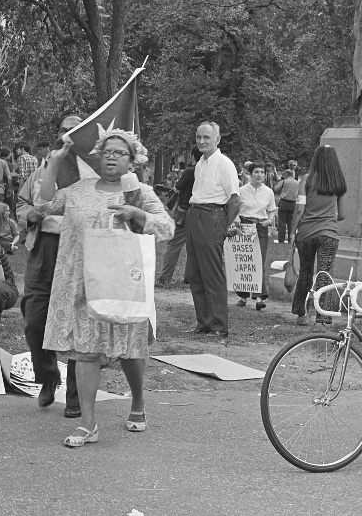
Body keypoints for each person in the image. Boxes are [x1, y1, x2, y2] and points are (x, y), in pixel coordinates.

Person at [38, 128, 173, 447]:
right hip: (83, 283)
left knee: (129, 350)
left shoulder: (137, 190)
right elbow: (45, 202)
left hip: (122, 283)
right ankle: (88, 424)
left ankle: (138, 403)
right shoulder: (79, 189)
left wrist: (137, 213)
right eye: (107, 151)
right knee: (85, 352)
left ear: (132, 161)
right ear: (98, 157)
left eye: (119, 152)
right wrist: (55, 164)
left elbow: (167, 226)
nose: (111, 157)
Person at [17, 115, 83, 415]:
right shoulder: (43, 168)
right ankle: (47, 377)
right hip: (42, 248)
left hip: (76, 251)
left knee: (76, 321)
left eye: (73, 131)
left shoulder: (88, 172)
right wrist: (30, 215)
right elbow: (21, 204)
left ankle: (76, 396)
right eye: (62, 130)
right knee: (34, 318)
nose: (66, 136)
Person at [185, 122, 241, 337]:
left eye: (206, 137)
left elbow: (234, 200)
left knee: (212, 273)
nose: (201, 141)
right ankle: (204, 322)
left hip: (213, 215)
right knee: (195, 272)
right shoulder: (200, 163)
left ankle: (219, 325)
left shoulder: (224, 163)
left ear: (217, 139)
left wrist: (225, 226)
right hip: (195, 214)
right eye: (198, 137)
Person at [291, 145, 347, 326]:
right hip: (329, 233)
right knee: (325, 273)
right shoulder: (338, 182)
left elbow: (299, 208)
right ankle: (323, 317)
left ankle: (301, 313)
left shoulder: (306, 180)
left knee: (306, 272)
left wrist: (293, 231)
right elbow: (342, 215)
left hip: (306, 233)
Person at [234, 162, 276, 310]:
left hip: (260, 227)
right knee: (245, 261)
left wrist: (269, 220)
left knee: (259, 260)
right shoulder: (241, 190)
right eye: (256, 172)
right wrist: (236, 219)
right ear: (250, 174)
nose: (259, 175)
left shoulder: (268, 192)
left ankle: (259, 297)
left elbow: (271, 210)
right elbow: (235, 208)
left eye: (262, 172)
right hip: (244, 226)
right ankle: (242, 296)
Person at [156, 148, 201, 286]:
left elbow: (177, 189)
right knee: (196, 247)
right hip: (201, 213)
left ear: (193, 156)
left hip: (184, 211)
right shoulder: (210, 170)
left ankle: (164, 278)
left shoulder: (190, 171)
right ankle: (190, 278)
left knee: (174, 245)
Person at [274, 169, 300, 243]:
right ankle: (290, 239)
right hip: (293, 203)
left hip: (284, 202)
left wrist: (281, 181)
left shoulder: (284, 181)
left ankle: (281, 239)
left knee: (282, 221)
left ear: (286, 175)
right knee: (290, 222)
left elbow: (276, 189)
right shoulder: (297, 182)